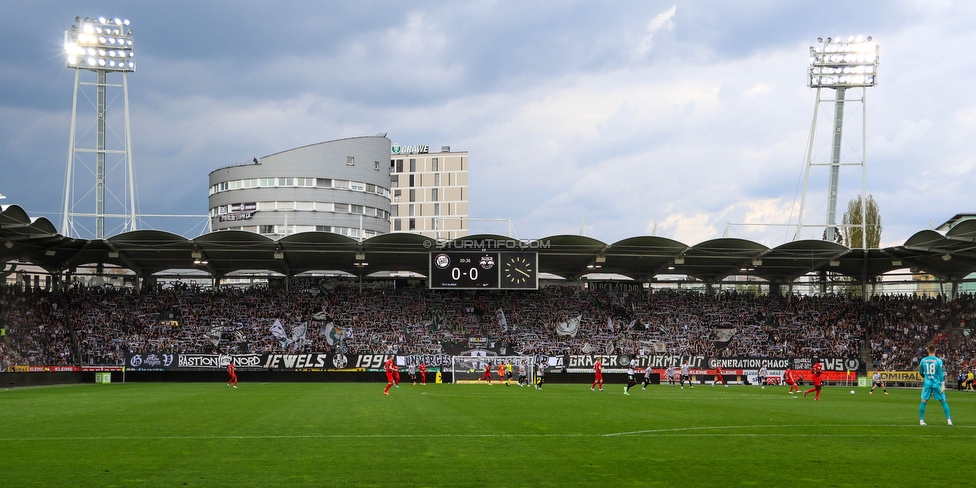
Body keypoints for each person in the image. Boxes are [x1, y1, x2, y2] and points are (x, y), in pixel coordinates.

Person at [919, 344, 952, 426]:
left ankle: (921, 420)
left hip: (927, 384)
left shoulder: (923, 360)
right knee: (943, 401)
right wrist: (943, 384)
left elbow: (920, 372)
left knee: (923, 401)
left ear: (928, 351)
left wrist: (926, 377)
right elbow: (940, 374)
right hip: (937, 384)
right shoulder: (938, 361)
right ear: (935, 351)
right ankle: (949, 420)